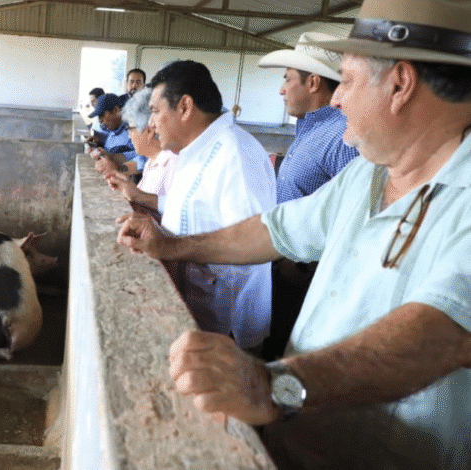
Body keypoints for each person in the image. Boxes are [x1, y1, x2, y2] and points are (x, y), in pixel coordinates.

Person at [117, 0, 471, 468]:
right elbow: (275, 230)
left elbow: (445, 329)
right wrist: (171, 246)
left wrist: (275, 385)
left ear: (400, 84)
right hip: (302, 440)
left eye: (346, 79)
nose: (338, 97)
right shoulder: (367, 172)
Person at [142, 60, 276, 351]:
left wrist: (171, 247)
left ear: (185, 107)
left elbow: (252, 244)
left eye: (155, 111)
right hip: (198, 313)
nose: (151, 124)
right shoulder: (193, 152)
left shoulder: (235, 154)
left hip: (227, 329)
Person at [257, 32, 360, 360]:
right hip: (285, 267)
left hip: (306, 278)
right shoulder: (310, 130)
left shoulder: (340, 136)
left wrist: (310, 268)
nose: (282, 89)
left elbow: (354, 212)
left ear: (313, 82)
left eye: (288, 79)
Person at [105, 87, 176, 209]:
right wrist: (124, 187)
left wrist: (137, 196)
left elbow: (179, 212)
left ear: (149, 131)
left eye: (131, 129)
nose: (129, 135)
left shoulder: (173, 163)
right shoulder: (151, 161)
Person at [87, 93, 147, 177]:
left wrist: (115, 163)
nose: (100, 121)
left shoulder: (133, 132)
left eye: (102, 115)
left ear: (115, 110)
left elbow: (145, 160)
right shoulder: (112, 132)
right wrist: (100, 151)